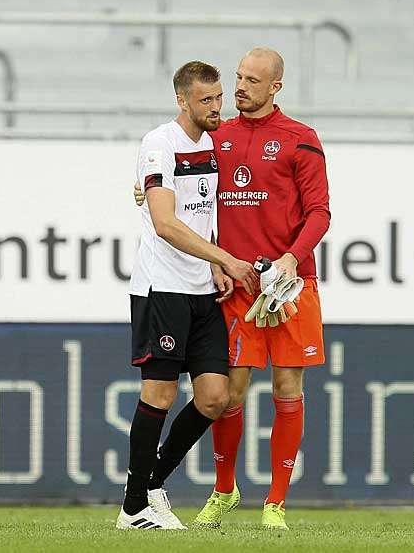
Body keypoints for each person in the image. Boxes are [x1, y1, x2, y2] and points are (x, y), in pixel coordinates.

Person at [137, 47, 330, 530]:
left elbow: (320, 213)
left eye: (250, 80)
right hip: (239, 286)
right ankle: (224, 490)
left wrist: (289, 258)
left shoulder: (300, 139)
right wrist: (141, 187)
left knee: (288, 388)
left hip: (289, 285)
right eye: (237, 78)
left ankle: (276, 504)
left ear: (275, 87)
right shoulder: (215, 136)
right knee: (227, 394)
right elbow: (183, 191)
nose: (240, 88)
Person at [117, 60, 259, 531]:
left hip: (201, 292)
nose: (216, 107)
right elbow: (165, 223)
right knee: (158, 394)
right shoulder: (159, 144)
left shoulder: (215, 144)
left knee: (216, 397)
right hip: (163, 288)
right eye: (206, 100)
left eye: (219, 97)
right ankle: (133, 508)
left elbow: (207, 208)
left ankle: (151, 484)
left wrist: (214, 263)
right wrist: (225, 258)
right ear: (182, 100)